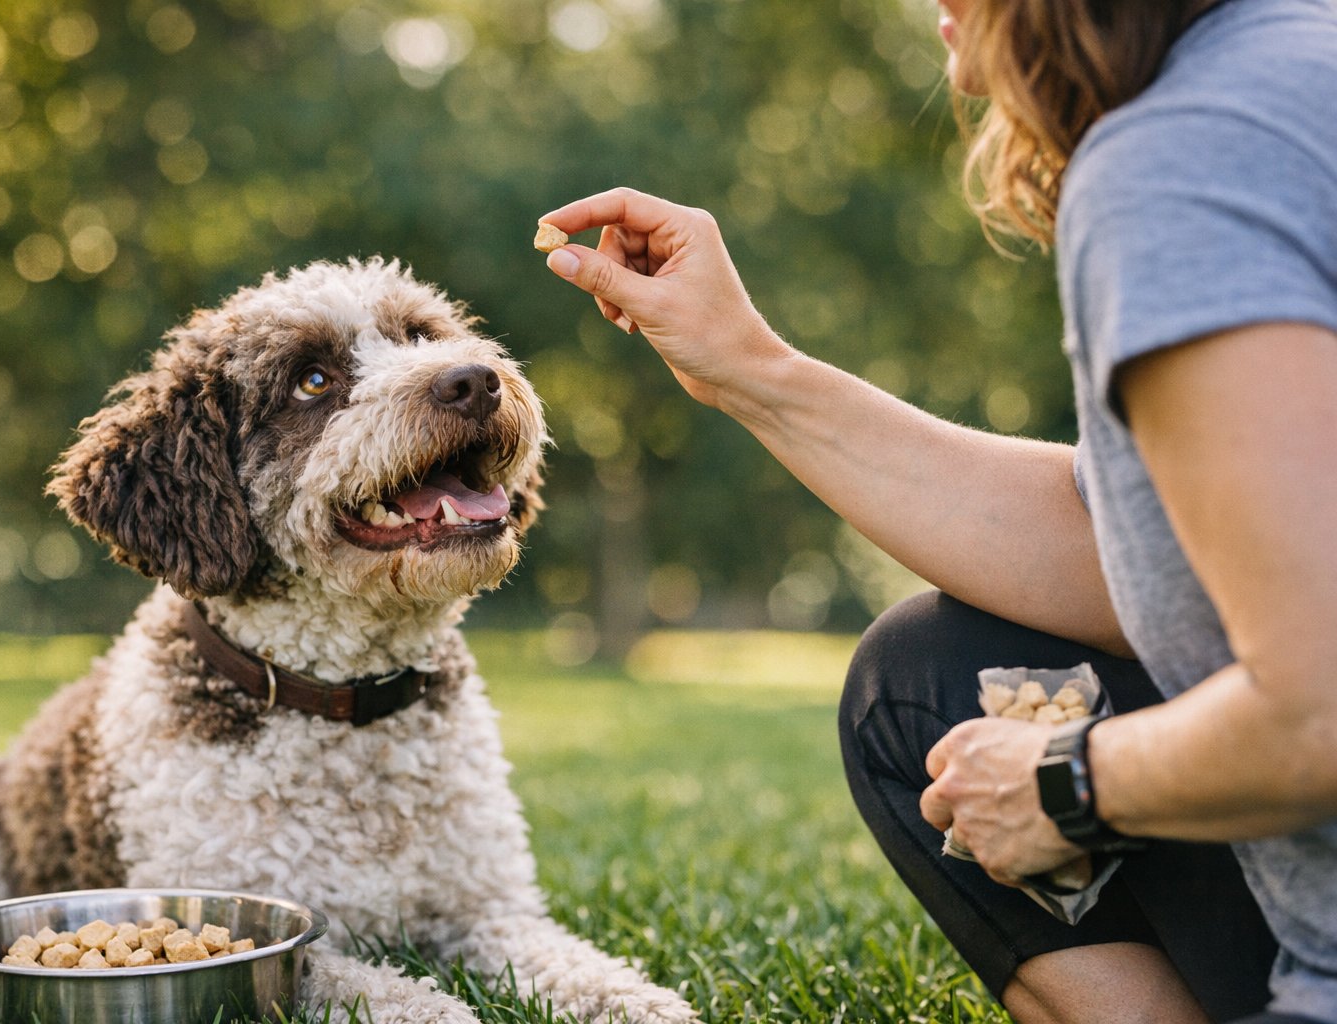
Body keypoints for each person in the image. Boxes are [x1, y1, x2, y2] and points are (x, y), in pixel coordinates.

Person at [536, 0, 1337, 1020]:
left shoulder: (1179, 164)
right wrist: (749, 370)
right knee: (920, 677)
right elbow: (1137, 548)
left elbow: (1321, 705)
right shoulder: (1292, 69)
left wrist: (1068, 784)